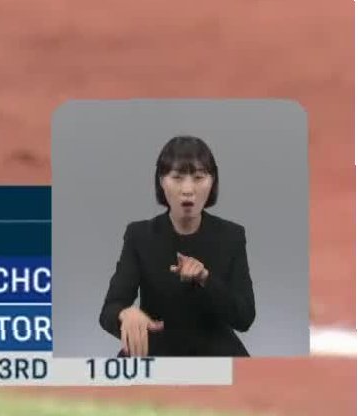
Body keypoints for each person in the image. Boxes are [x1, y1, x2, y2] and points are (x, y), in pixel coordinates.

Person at [96, 134, 255, 358]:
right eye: (177, 177)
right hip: (157, 350)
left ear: (212, 182)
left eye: (199, 177)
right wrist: (125, 314)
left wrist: (205, 279)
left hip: (216, 353)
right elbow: (109, 309)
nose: (188, 189)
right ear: (162, 181)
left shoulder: (231, 236)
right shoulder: (139, 235)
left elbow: (245, 317)